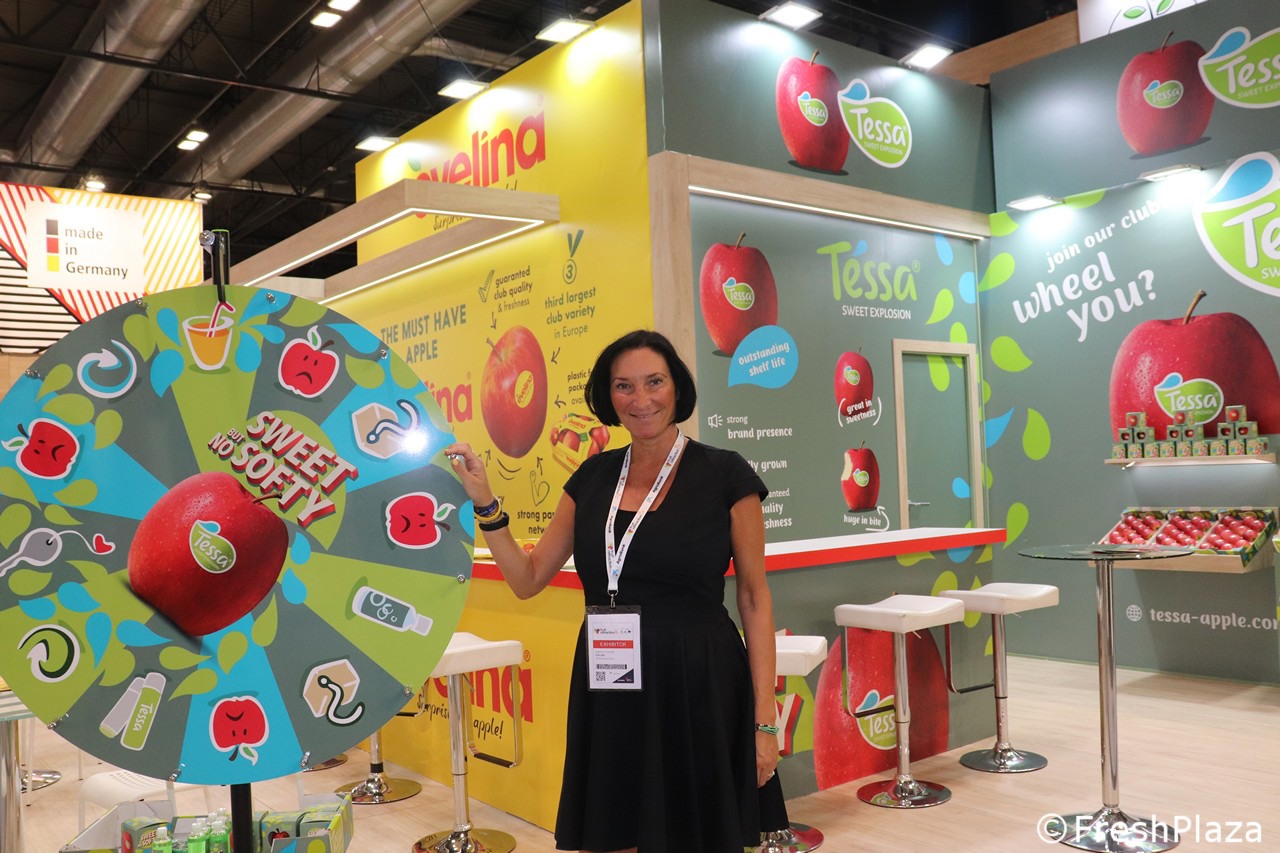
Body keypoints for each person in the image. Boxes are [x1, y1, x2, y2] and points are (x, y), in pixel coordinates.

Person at [445, 329, 784, 853]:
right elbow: (527, 579)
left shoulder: (726, 473)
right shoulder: (591, 477)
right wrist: (486, 503)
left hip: (697, 678)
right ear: (609, 396)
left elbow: (755, 600)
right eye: (624, 386)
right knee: (615, 832)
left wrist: (765, 721)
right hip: (612, 679)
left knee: (696, 835)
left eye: (654, 382)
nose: (641, 398)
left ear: (677, 388)